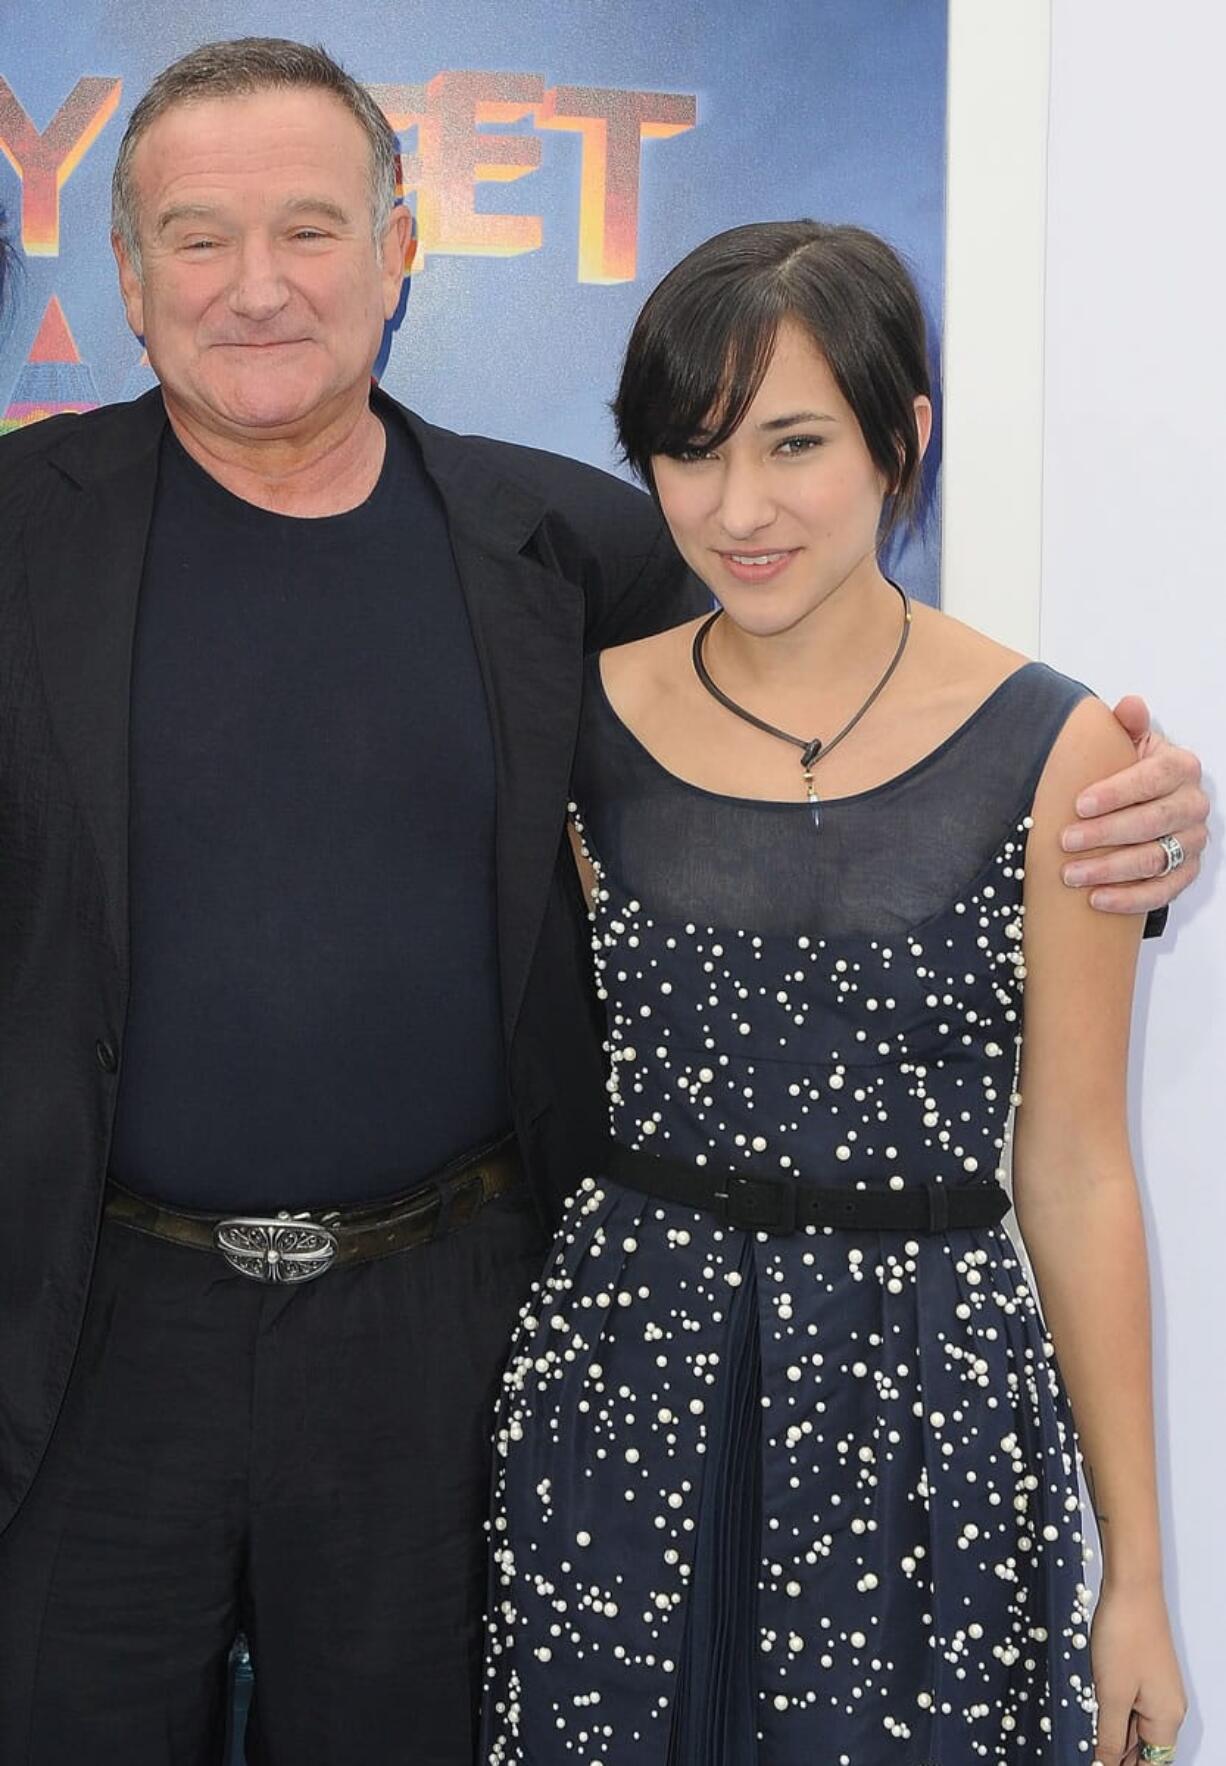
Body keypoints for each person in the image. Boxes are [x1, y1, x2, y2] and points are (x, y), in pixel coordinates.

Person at [0, 39, 1202, 1766]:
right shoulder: (15, 536)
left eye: (311, 229)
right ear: (122, 273)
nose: (256, 286)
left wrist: (1135, 815)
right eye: (196, 238)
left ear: (400, 250)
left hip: (448, 1343)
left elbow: (830, 734)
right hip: (92, 1339)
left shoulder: (569, 557)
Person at [480, 222, 1189, 1766]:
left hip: (925, 1402)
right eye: (690, 452)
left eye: (793, 443)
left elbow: (1070, 1164)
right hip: (622, 1387)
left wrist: (1135, 1573)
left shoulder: (1054, 747)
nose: (737, 509)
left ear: (899, 438)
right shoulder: (576, 724)